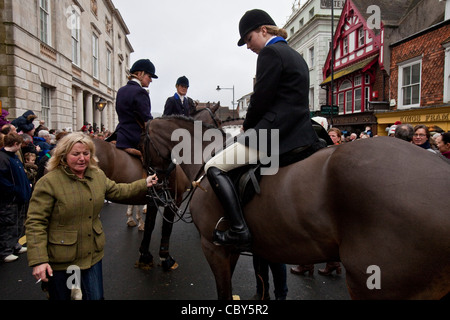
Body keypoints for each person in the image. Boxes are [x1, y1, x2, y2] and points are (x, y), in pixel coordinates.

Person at [203, 9, 321, 250]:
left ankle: (238, 229)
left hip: (274, 133)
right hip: (300, 129)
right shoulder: (295, 55)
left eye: (249, 39)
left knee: (213, 166)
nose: (248, 47)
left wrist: (248, 124)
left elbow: (261, 97)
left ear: (264, 30)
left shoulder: (270, 52)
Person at [25, 132, 158, 300]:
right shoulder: (49, 182)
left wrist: (144, 183)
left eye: (86, 153)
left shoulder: (97, 175)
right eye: (76, 154)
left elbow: (118, 190)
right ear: (63, 155)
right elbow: (35, 222)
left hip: (92, 256)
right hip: (63, 260)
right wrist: (39, 260)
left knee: (95, 297)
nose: (82, 158)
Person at [115, 59, 158, 158]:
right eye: (149, 76)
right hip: (135, 138)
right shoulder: (141, 92)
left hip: (120, 135)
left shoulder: (121, 90)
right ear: (140, 74)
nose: (151, 80)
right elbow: (147, 120)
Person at [0, 133, 32, 263]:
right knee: (8, 224)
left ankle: (15, 245)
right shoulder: (3, 158)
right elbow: (2, 180)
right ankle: (5, 251)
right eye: (19, 145)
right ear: (15, 144)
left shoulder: (13, 157)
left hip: (19, 197)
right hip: (9, 199)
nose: (20, 148)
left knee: (18, 223)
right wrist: (14, 190)